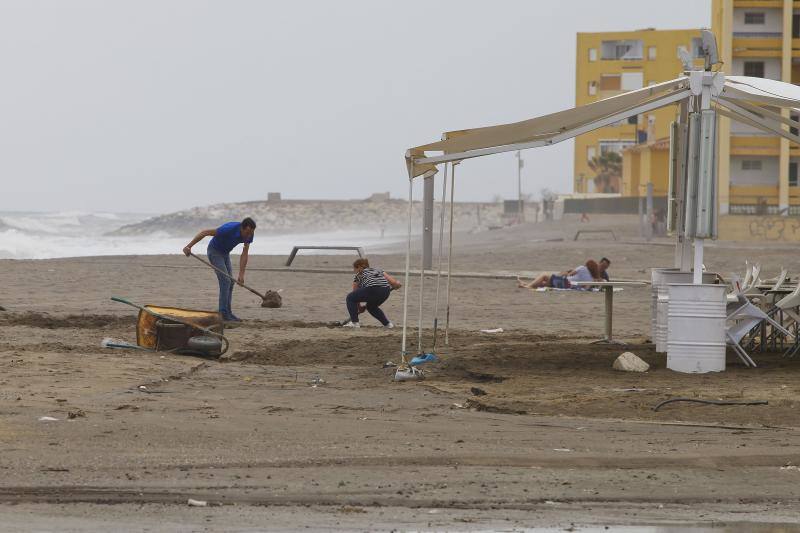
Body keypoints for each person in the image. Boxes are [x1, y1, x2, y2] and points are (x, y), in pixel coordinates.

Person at [183, 217, 256, 322]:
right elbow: (205, 232)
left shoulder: (250, 234)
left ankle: (228, 313)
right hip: (214, 252)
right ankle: (223, 314)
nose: (249, 235)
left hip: (225, 253)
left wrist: (241, 274)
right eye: (247, 232)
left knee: (231, 282)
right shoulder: (227, 229)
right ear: (242, 228)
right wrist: (189, 246)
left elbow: (245, 253)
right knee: (225, 281)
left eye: (251, 233)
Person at [344, 258, 402, 329]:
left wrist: (359, 308)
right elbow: (393, 283)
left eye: (354, 269)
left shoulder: (359, 274)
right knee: (372, 307)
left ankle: (355, 323)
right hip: (385, 291)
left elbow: (354, 293)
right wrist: (397, 284)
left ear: (359, 267)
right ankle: (388, 324)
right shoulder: (378, 270)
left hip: (372, 288)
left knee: (350, 298)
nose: (354, 271)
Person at [517, 260, 602, 290]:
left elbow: (570, 274)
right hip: (569, 286)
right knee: (545, 283)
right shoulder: (591, 278)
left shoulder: (582, 268)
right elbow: (586, 287)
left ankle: (529, 286)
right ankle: (526, 284)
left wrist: (567, 272)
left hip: (565, 283)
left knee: (544, 276)